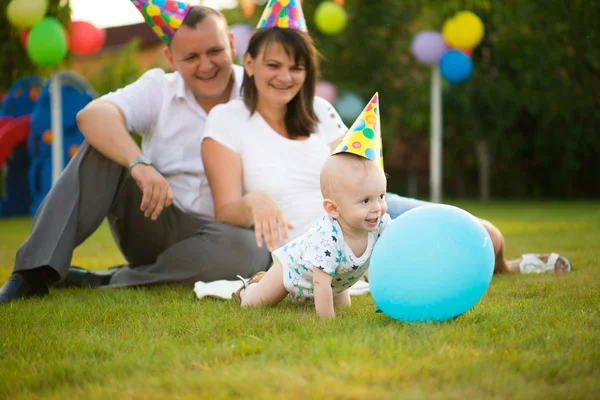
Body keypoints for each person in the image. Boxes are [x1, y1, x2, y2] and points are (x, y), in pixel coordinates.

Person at [201, 1, 572, 279]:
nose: (285, 77)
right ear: (248, 63)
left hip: (373, 214)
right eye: (273, 65)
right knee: (436, 263)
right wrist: (254, 202)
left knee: (483, 235)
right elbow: (225, 209)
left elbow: (358, 174)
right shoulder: (227, 119)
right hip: (325, 242)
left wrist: (378, 211)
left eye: (296, 67)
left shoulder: (320, 111)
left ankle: (507, 267)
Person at [0, 4, 276, 305]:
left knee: (251, 252)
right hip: (154, 219)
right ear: (171, 58)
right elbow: (91, 116)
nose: (206, 65)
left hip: (227, 236)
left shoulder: (259, 91)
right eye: (191, 57)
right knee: (101, 145)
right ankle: (32, 273)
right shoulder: (159, 88)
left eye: (215, 51)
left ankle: (107, 279)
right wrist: (139, 162)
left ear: (232, 45)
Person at [234, 152, 390, 319]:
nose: (377, 208)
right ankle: (251, 288)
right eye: (365, 201)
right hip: (293, 269)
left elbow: (399, 239)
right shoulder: (328, 238)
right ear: (333, 209)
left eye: (381, 196)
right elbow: (320, 283)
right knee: (253, 304)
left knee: (343, 309)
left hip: (336, 279)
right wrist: (327, 322)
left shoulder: (379, 223)